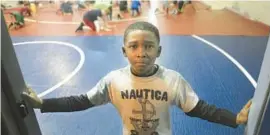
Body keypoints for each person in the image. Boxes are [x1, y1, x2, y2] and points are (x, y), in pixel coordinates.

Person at [22, 21, 252, 135]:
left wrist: (234, 119)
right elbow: (81, 101)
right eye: (134, 46)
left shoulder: (172, 80)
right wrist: (44, 104)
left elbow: (199, 108)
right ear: (124, 51)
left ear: (159, 51)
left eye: (149, 46)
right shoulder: (113, 81)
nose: (142, 52)